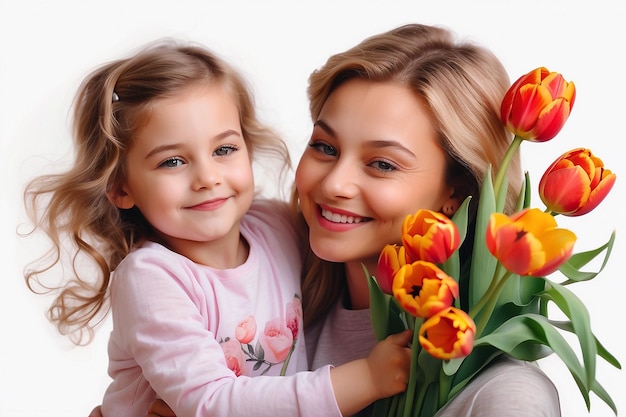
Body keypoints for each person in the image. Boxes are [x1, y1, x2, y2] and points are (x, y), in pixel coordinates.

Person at [92, 23, 563, 417]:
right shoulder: (286, 280)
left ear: (455, 192)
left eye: (382, 164)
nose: (334, 183)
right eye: (325, 147)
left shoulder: (497, 391)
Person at [22, 40, 412, 417]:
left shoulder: (277, 227)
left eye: (224, 150)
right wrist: (367, 378)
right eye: (173, 162)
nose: (208, 177)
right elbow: (211, 404)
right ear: (120, 187)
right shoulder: (152, 278)